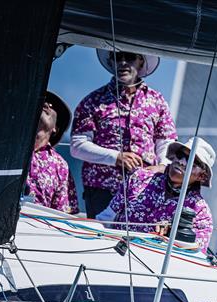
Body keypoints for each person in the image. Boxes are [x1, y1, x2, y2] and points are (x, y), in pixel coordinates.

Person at [70, 49, 177, 217]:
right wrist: (116, 157)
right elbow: (77, 146)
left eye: (130, 57)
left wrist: (162, 165)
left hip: (144, 189)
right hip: (102, 190)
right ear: (111, 62)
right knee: (99, 240)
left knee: (136, 240)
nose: (123, 63)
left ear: (141, 61)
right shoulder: (93, 101)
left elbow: (166, 142)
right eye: (117, 57)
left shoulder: (157, 101)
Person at [97, 137, 216, 252]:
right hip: (115, 252)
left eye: (192, 161)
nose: (181, 162)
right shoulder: (140, 178)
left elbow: (195, 253)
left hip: (154, 268)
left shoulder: (201, 213)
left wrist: (172, 234)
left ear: (202, 176)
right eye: (181, 155)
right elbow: (107, 218)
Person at [25, 91, 78, 213]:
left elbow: (62, 213)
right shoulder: (5, 147)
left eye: (52, 106)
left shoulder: (60, 166)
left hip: (34, 227)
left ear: (56, 128)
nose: (47, 104)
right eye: (42, 101)